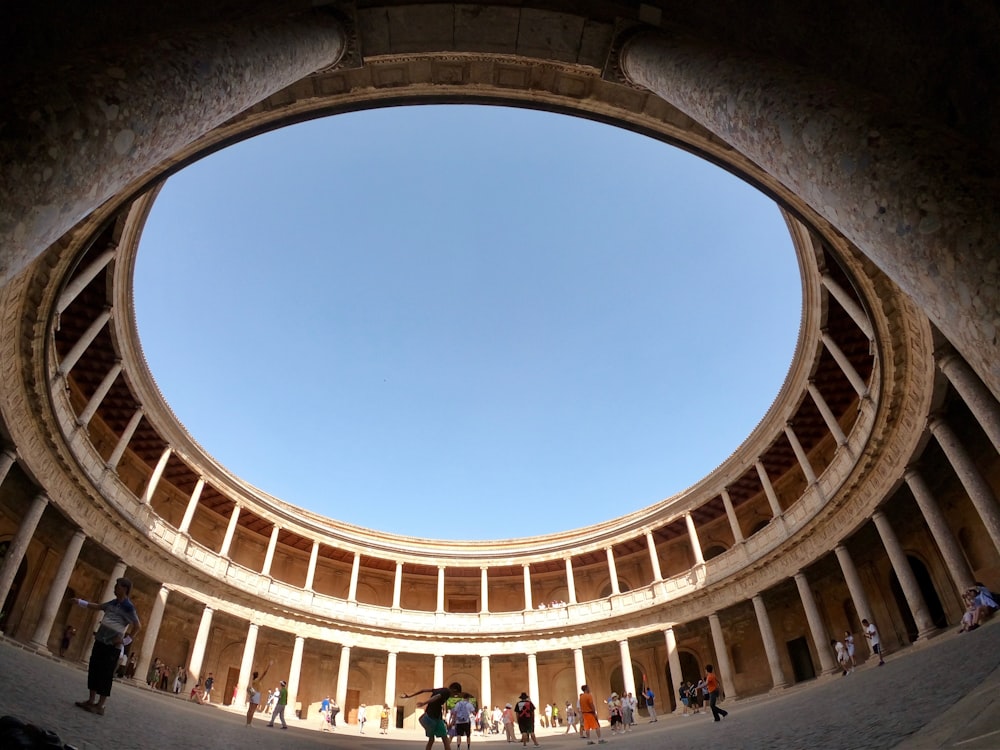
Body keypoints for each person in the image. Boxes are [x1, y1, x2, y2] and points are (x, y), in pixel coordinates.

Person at [70, 576, 141, 716]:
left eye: (117, 586)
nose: (115, 588)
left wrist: (125, 641)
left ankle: (100, 705)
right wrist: (79, 602)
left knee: (106, 674)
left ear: (124, 589)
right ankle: (91, 700)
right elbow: (97, 607)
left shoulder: (128, 606)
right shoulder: (113, 603)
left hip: (112, 646)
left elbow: (138, 626)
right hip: (101, 641)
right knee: (94, 669)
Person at [401, 681, 463, 750]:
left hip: (429, 716)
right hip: (435, 718)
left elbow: (423, 690)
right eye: (455, 693)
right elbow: (437, 696)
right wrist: (424, 703)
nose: (454, 695)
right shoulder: (447, 692)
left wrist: (409, 696)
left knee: (431, 740)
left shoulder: (441, 689)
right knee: (445, 739)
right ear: (454, 689)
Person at [245, 660, 272, 726]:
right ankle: (249, 723)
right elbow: (264, 673)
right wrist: (269, 665)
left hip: (253, 694)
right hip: (256, 695)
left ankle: (247, 723)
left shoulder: (253, 680)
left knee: (250, 709)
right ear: (257, 676)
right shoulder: (257, 680)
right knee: (253, 710)